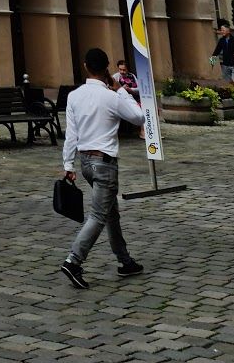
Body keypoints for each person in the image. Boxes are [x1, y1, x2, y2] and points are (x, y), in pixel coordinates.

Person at [58, 46, 145, 289]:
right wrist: (122, 92)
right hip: (104, 164)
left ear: (85, 66)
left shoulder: (74, 96)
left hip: (85, 162)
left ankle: (125, 261)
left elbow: (71, 134)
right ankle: (73, 261)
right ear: (107, 68)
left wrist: (68, 163)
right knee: (99, 215)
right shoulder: (111, 97)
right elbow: (139, 117)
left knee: (110, 213)